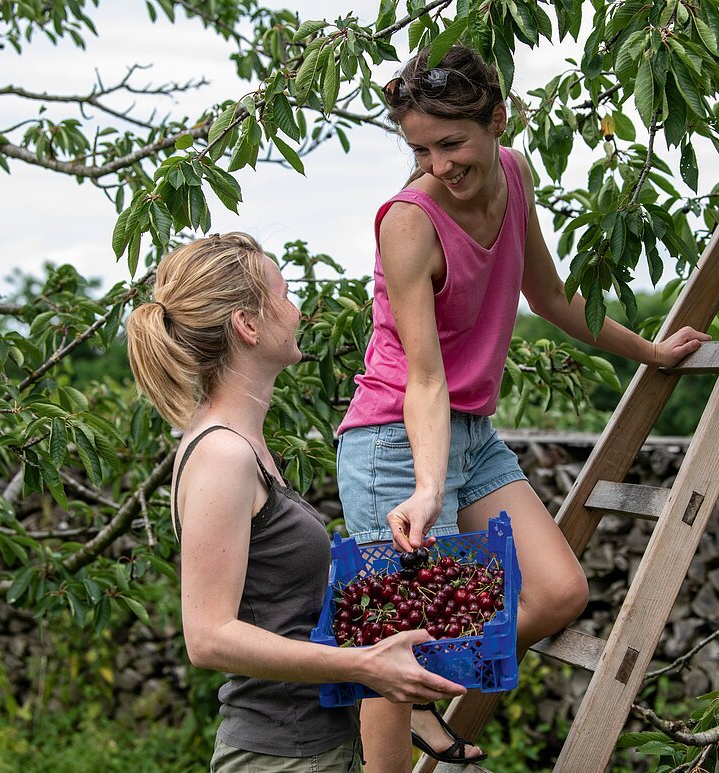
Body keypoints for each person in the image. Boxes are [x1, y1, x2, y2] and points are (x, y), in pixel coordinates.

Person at [335, 46, 711, 770]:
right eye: (420, 149)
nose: (438, 165)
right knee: (401, 643)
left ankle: (413, 693)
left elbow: (550, 295)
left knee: (558, 589)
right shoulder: (409, 223)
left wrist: (652, 351)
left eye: (451, 143)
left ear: (498, 121)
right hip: (396, 439)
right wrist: (427, 486)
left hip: (470, 433)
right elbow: (424, 380)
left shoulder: (513, 173)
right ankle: (401, 691)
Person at [125, 232, 465, 772]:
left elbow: (276, 608)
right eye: (284, 294)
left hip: (308, 747)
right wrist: (362, 664)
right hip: (282, 754)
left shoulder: (243, 446)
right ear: (248, 325)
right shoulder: (222, 455)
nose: (297, 309)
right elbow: (209, 638)